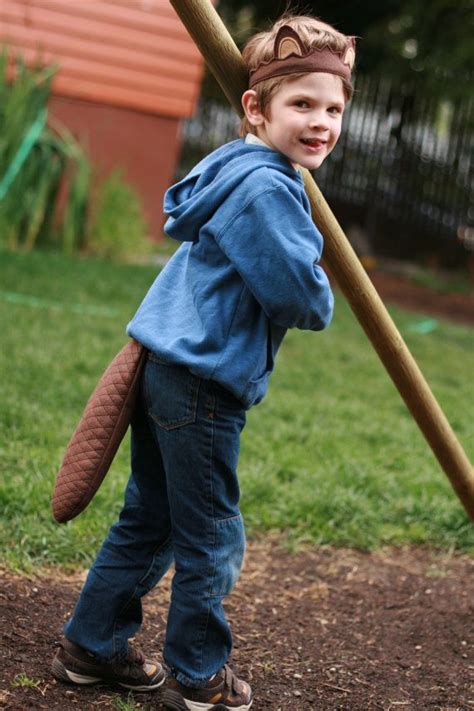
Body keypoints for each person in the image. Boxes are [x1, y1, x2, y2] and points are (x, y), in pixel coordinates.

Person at [51, 12, 356, 711]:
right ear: (256, 107)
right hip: (205, 386)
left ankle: (91, 646)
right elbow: (304, 300)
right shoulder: (268, 187)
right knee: (212, 535)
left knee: (151, 516)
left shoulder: (231, 165)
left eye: (334, 108)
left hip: (171, 368)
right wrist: (317, 269)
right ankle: (198, 676)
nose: (322, 122)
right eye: (302, 104)